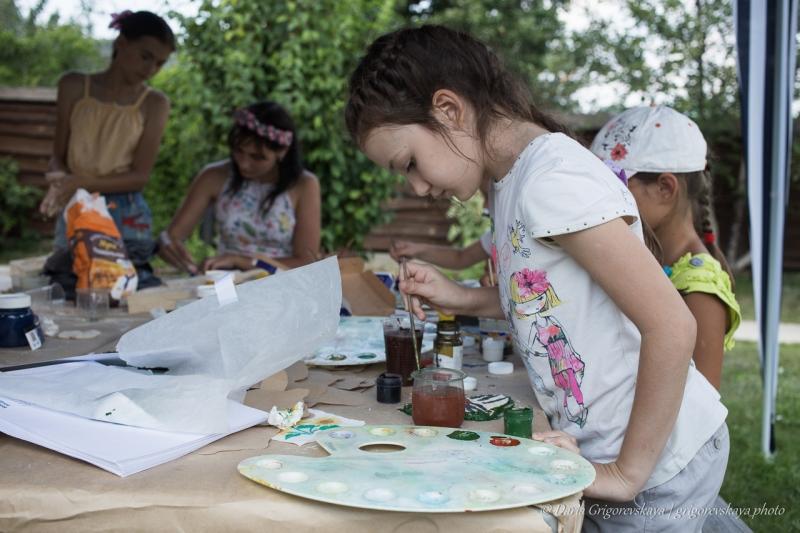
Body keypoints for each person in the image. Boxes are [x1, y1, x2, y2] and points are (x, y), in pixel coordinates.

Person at [345, 25, 728, 532]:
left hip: (658, 465)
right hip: (617, 448)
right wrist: (457, 295)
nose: (416, 186)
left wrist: (625, 472)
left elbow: (673, 327)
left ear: (448, 108)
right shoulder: (509, 183)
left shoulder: (551, 182)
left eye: (410, 163)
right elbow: (551, 303)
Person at [590, 106, 741, 391]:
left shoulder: (700, 290)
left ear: (665, 189)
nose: (604, 202)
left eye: (617, 188)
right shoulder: (650, 260)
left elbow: (702, 404)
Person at [40, 10, 175, 292]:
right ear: (121, 43)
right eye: (145, 56)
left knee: (125, 291)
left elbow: (139, 177)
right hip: (78, 204)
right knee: (70, 287)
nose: (151, 69)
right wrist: (57, 180)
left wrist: (78, 182)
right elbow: (58, 155)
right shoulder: (74, 86)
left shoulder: (154, 103)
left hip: (125, 212)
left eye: (160, 63)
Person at [158, 101, 321, 273]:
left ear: (282, 152)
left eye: (257, 157)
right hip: (225, 285)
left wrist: (240, 261)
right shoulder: (214, 176)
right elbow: (172, 236)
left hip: (281, 285)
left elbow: (306, 262)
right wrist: (168, 245)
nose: (244, 164)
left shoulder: (304, 185)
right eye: (238, 151)